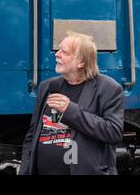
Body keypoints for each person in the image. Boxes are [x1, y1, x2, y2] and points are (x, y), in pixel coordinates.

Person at [19, 31, 124, 175]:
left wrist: (70, 110)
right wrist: (25, 169)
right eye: (58, 49)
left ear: (81, 61)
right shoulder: (47, 86)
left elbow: (113, 132)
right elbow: (32, 136)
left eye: (64, 52)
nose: (57, 54)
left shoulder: (108, 89)